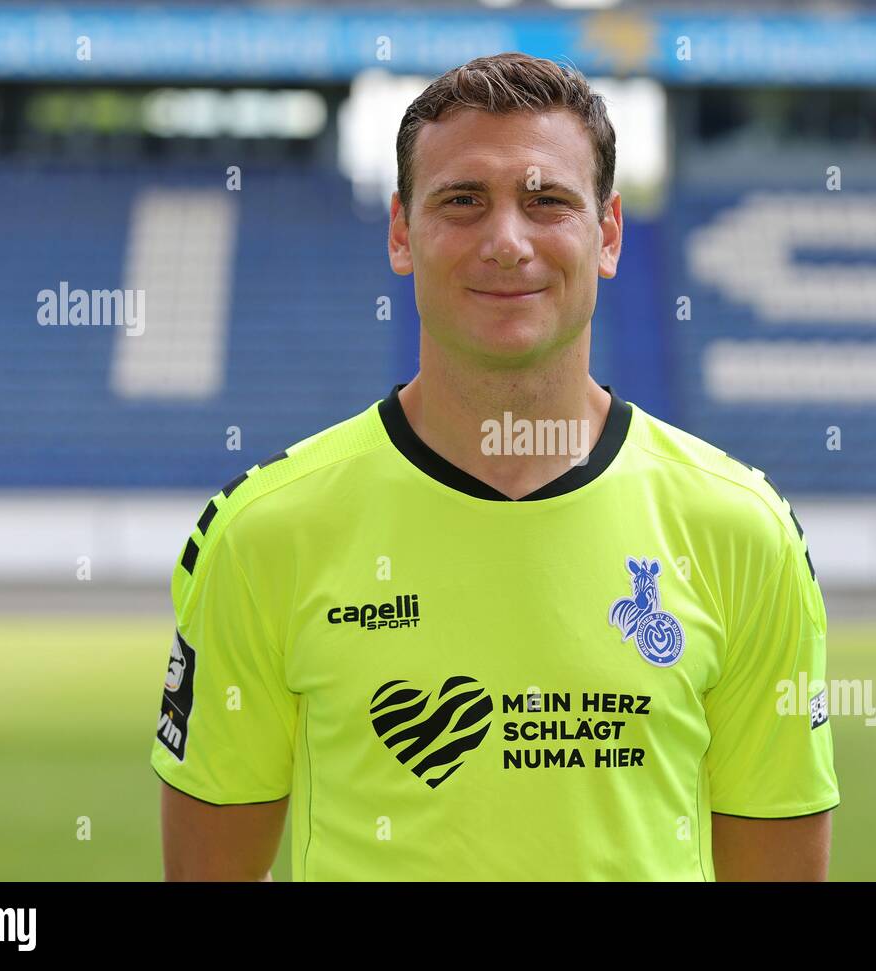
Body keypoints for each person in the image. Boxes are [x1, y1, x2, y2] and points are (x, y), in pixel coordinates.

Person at [152, 51, 838, 881]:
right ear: (402, 232)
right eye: (463, 202)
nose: (506, 242)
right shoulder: (263, 533)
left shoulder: (743, 531)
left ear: (609, 232)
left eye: (547, 200)